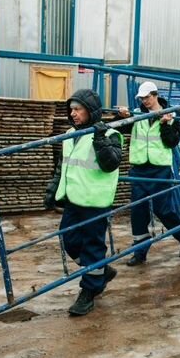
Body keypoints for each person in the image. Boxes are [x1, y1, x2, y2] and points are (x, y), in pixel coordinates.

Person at [44, 89, 123, 316]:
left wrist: (99, 139)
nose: (73, 113)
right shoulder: (70, 134)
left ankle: (89, 291)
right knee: (69, 240)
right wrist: (53, 189)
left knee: (92, 247)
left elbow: (111, 164)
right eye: (71, 109)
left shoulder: (110, 134)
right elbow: (64, 165)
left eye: (78, 109)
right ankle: (100, 269)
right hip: (74, 200)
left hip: (95, 202)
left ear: (91, 111)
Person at [117, 81, 180, 266]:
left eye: (148, 98)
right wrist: (121, 115)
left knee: (164, 209)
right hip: (139, 168)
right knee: (138, 211)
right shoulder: (136, 115)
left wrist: (166, 124)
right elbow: (119, 128)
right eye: (142, 99)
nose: (145, 102)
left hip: (160, 169)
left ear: (156, 95)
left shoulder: (172, 116)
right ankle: (140, 251)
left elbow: (172, 142)